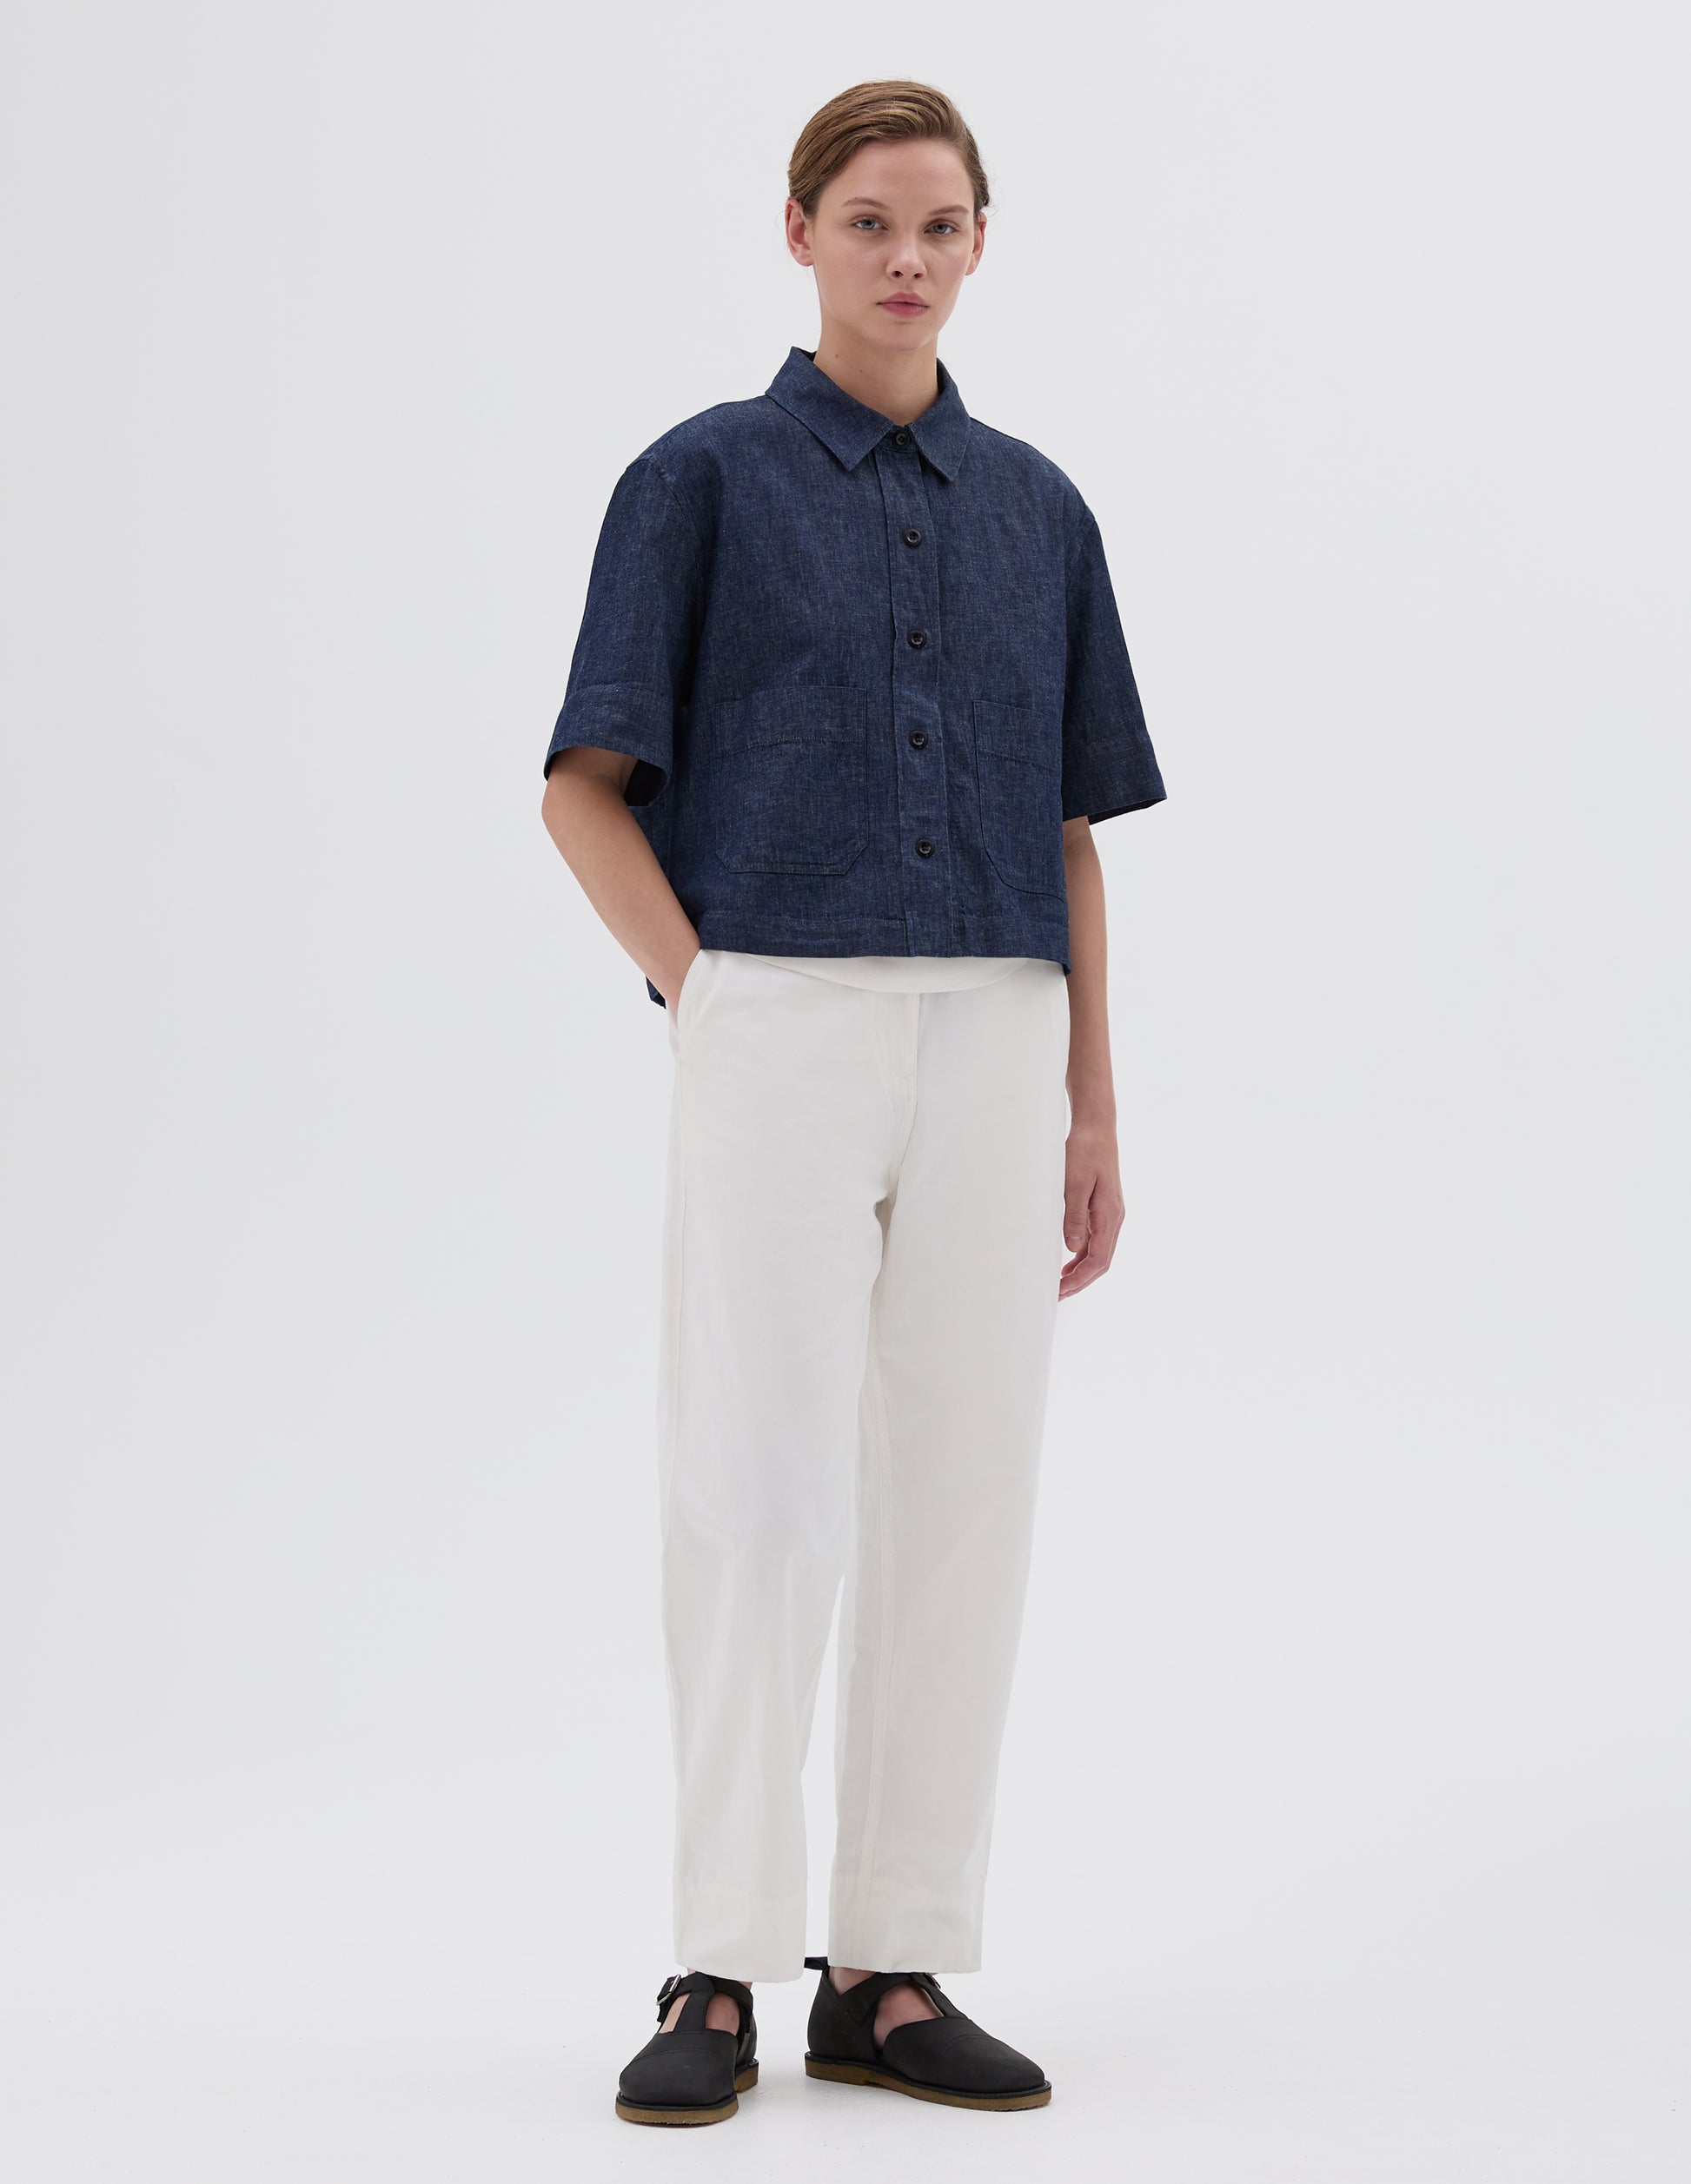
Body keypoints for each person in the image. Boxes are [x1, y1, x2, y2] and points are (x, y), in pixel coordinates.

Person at [540, 79, 1166, 2127]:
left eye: (942, 225)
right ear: (799, 230)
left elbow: (1069, 831)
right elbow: (581, 789)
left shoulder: (1041, 510)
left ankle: (888, 1964)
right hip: (778, 1019)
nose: (907, 258)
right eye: (872, 220)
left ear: (981, 244)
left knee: (963, 1491)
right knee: (760, 1487)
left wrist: (1089, 1101)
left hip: (997, 1027)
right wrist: (707, 992)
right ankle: (717, 1960)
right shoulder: (698, 481)